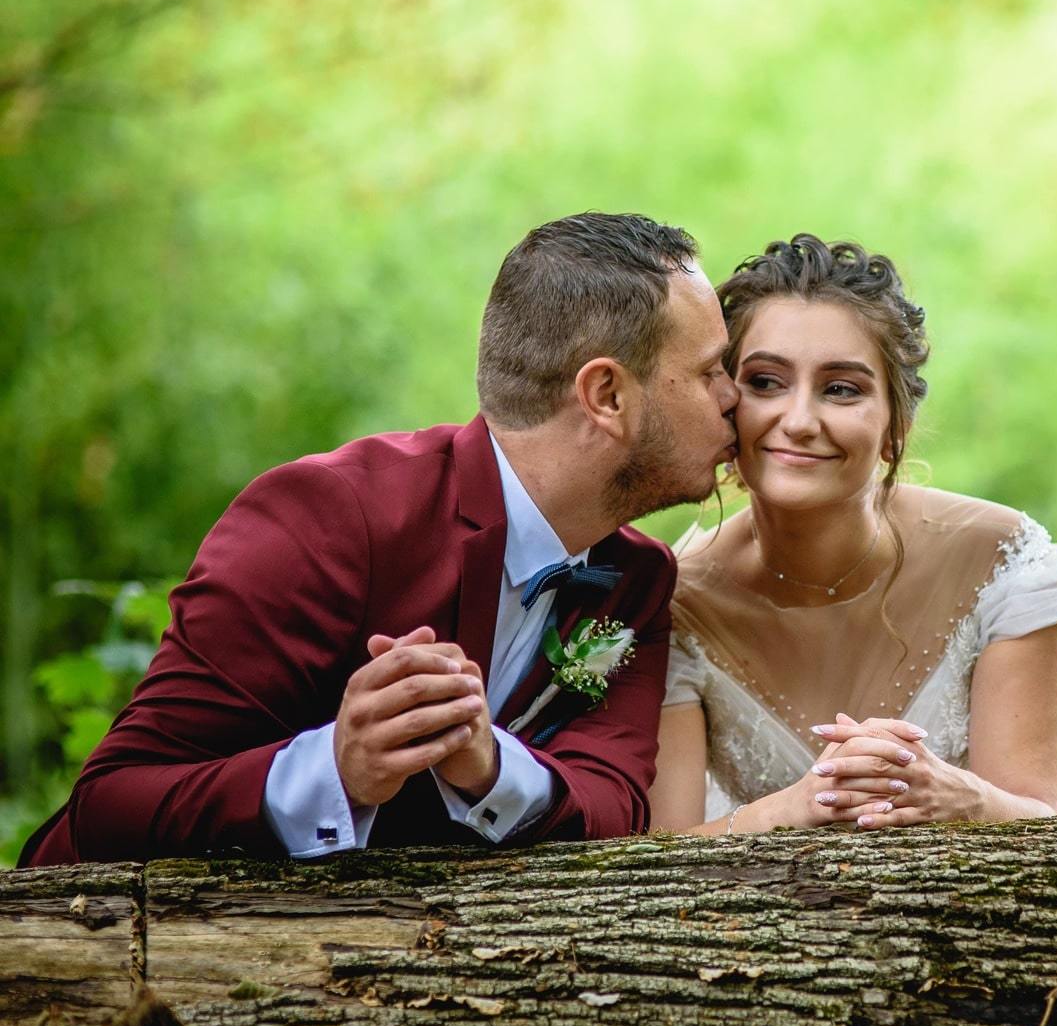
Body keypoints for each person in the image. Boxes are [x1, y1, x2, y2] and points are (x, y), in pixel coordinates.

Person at [22, 212, 740, 865]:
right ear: (607, 396)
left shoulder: (636, 580)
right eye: (711, 372)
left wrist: (490, 768)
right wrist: (337, 769)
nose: (734, 398)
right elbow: (111, 804)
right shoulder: (329, 517)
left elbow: (614, 810)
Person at [650, 234, 1057, 835]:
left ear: (896, 427)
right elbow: (662, 851)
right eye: (766, 381)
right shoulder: (671, 603)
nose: (799, 421)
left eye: (841, 389)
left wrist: (965, 799)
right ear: (724, 403)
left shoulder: (1004, 560)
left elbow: (1045, 822)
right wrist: (786, 811)